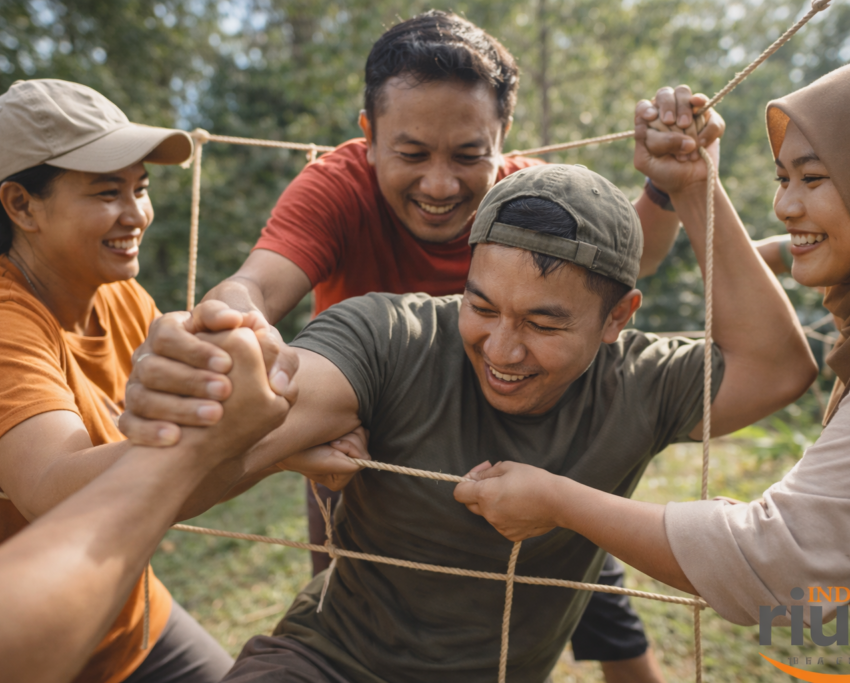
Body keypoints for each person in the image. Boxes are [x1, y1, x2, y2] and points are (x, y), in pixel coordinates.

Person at [120, 157, 816, 680]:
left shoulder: (642, 380)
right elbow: (268, 404)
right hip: (324, 663)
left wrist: (694, 187)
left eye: (544, 323)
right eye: (481, 306)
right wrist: (225, 384)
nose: (502, 350)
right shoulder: (388, 332)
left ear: (618, 318)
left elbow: (779, 369)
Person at [195, 11, 722, 680]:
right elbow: (255, 286)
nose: (441, 185)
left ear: (503, 140)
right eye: (412, 153)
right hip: (372, 446)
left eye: (469, 155)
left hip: (536, 440)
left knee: (600, 607)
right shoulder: (337, 186)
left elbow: (626, 266)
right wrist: (225, 339)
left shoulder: (528, 199)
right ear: (369, 138)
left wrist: (665, 185)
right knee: (360, 618)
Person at [451, 50, 850, 681]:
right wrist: (693, 187)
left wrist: (557, 500)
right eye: (783, 180)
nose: (786, 206)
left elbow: (776, 561)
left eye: (814, 178)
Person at [0, 80, 265, 683]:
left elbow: (168, 437)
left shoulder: (117, 293)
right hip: (8, 650)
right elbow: (55, 491)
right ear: (21, 205)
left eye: (140, 188)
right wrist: (262, 440)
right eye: (106, 192)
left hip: (127, 619)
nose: (137, 213)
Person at [0, 326, 292, 683]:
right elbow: (54, 494)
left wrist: (269, 448)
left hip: (134, 622)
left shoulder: (118, 294)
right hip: (15, 646)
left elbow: (176, 490)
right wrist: (211, 446)